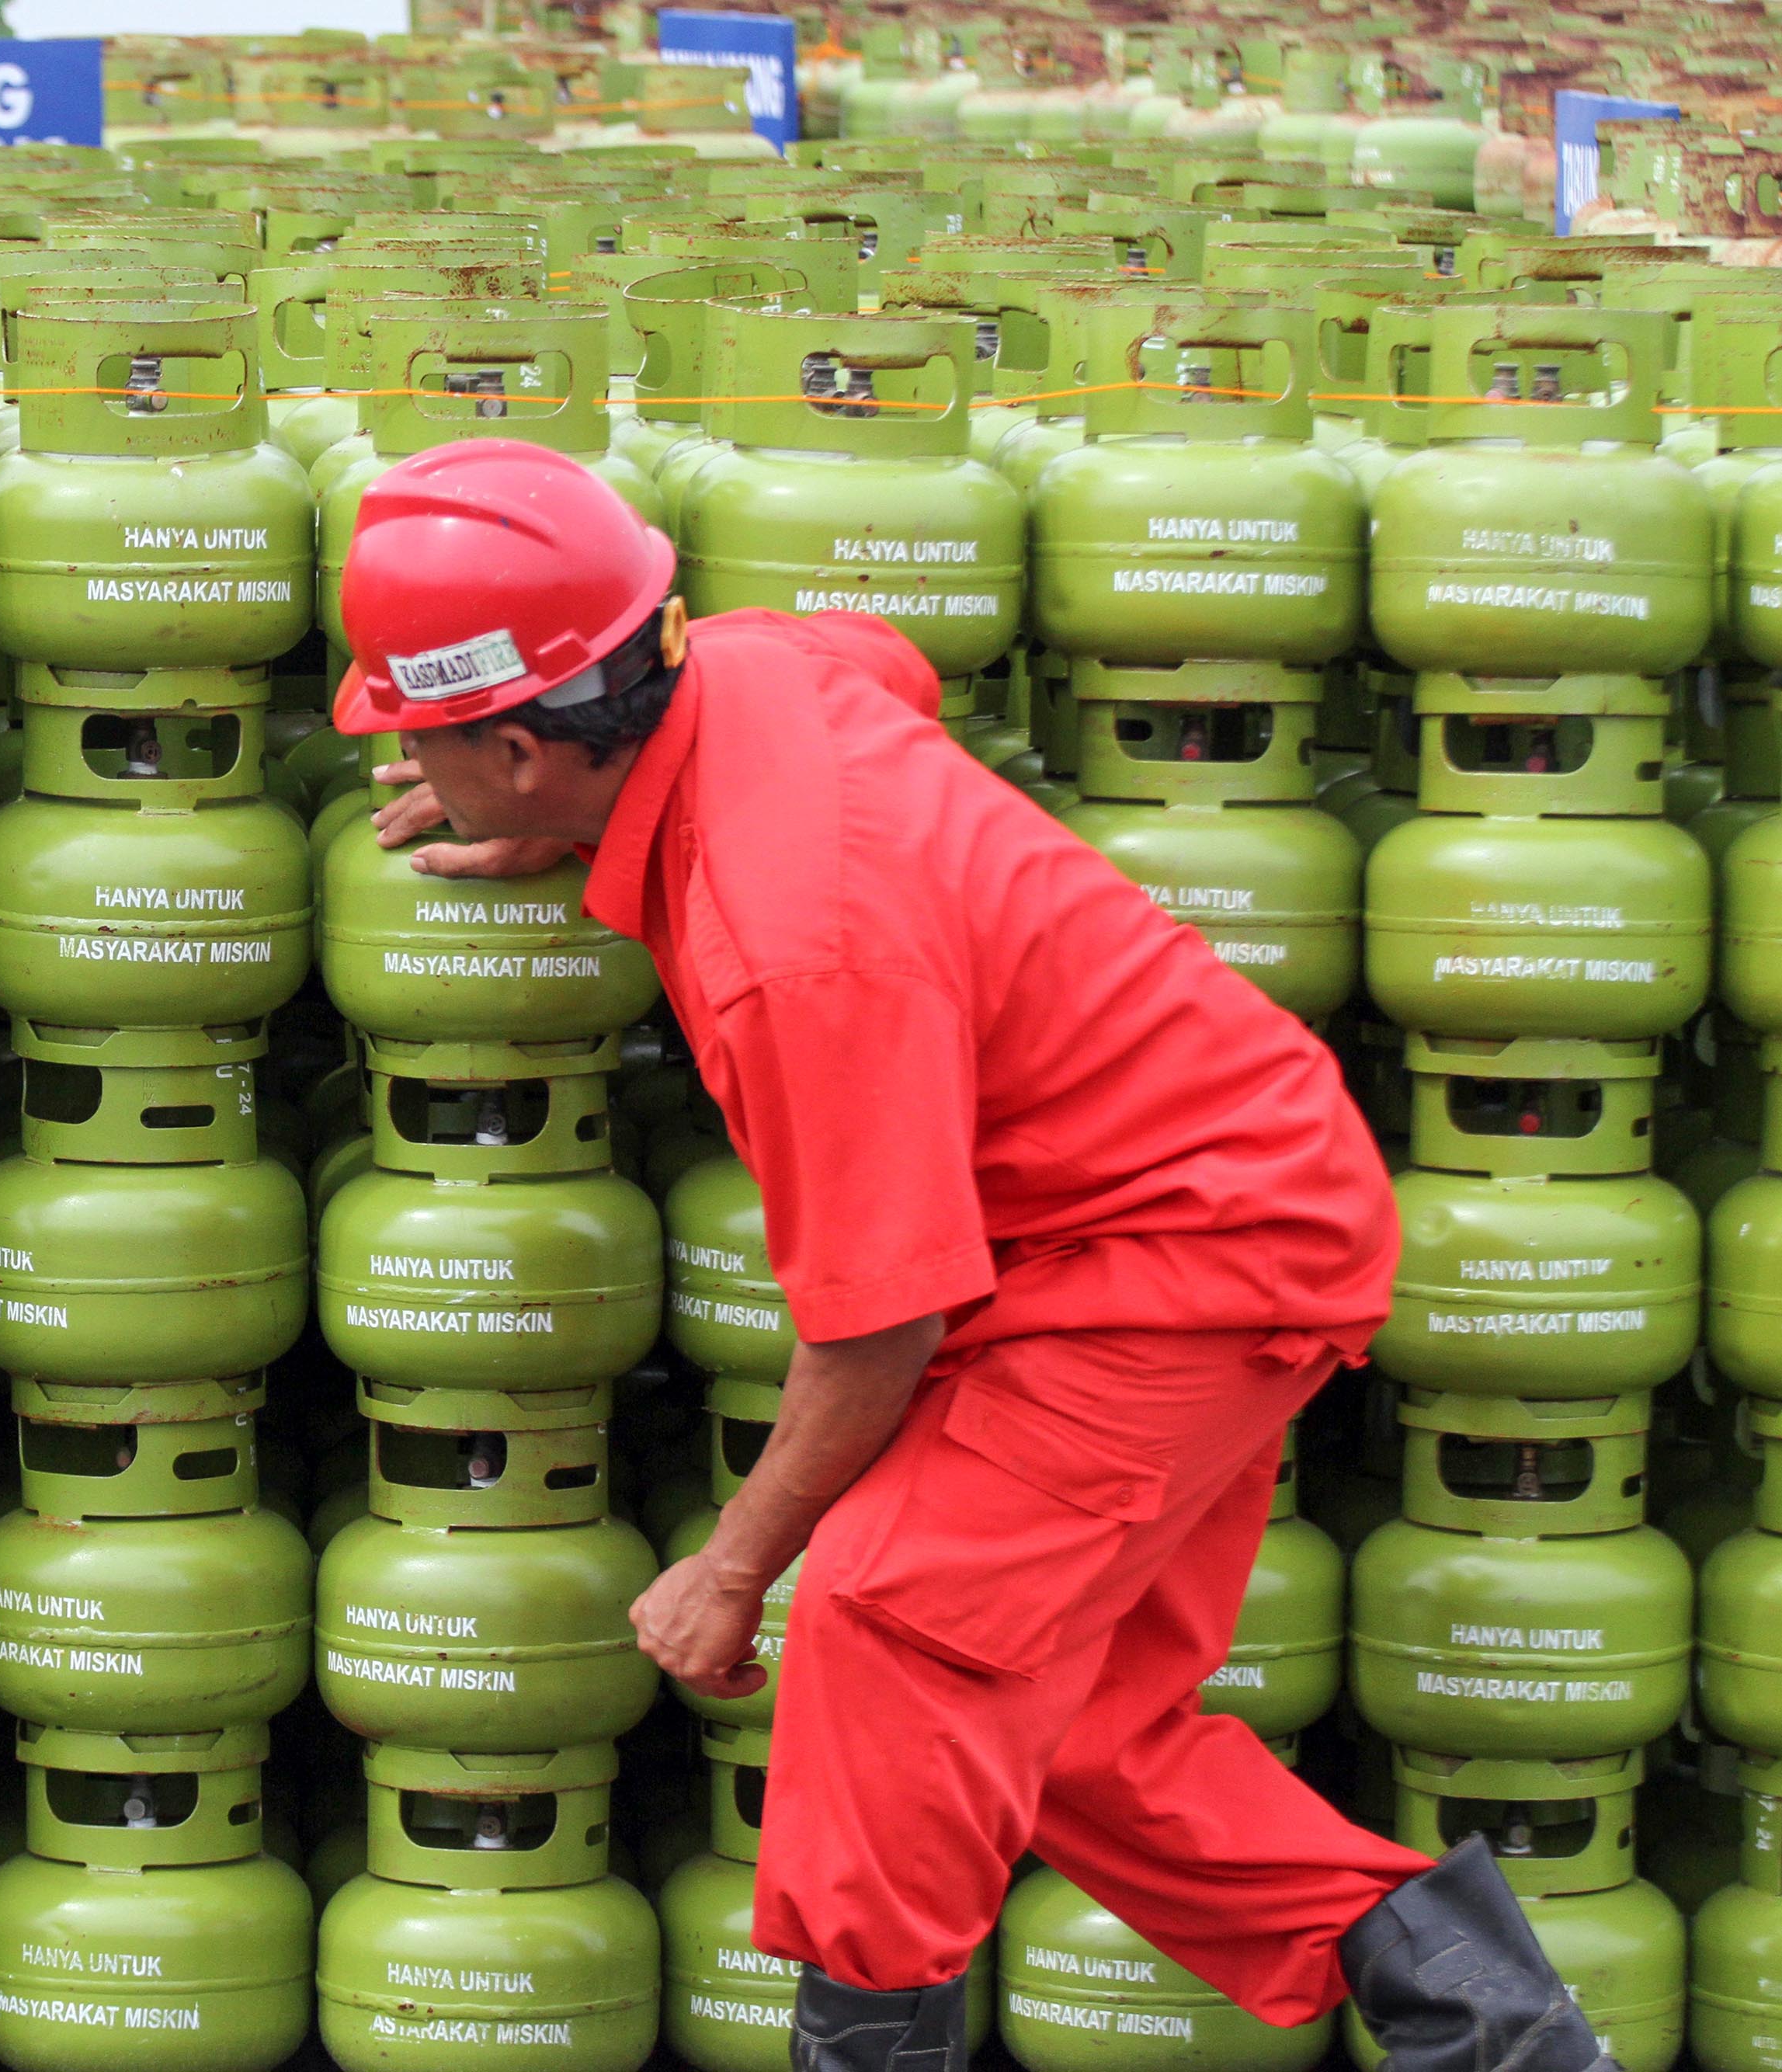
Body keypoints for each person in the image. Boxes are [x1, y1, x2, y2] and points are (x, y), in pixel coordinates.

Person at [330, 439, 1616, 2072]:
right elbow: (883, 671)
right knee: (1059, 1722)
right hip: (1189, 1197)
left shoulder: (792, 950)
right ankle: (1504, 2033)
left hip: (1185, 1251)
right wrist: (595, 833)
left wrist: (735, 1564)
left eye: (427, 743)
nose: (416, 770)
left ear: (518, 743)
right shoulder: (741, 658)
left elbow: (881, 1320)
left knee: (883, 1626)